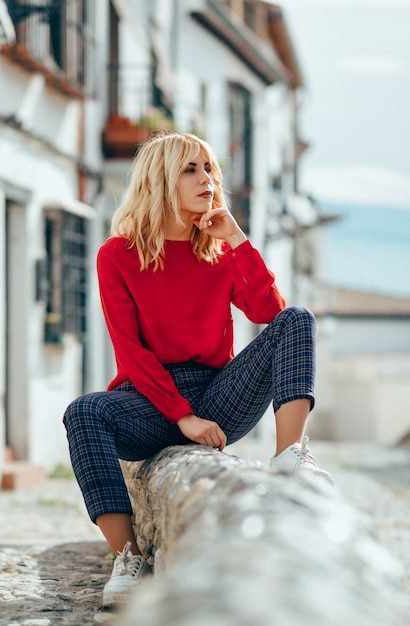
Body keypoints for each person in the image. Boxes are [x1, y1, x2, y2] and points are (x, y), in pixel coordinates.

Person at [63, 131, 333, 608]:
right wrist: (181, 414)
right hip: (149, 401)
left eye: (209, 168)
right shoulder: (117, 256)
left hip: (220, 393)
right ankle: (128, 559)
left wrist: (236, 239)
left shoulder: (221, 250)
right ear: (161, 180)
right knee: (84, 412)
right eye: (191, 169)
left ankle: (290, 454)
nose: (207, 179)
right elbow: (131, 353)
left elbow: (270, 312)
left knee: (298, 319)